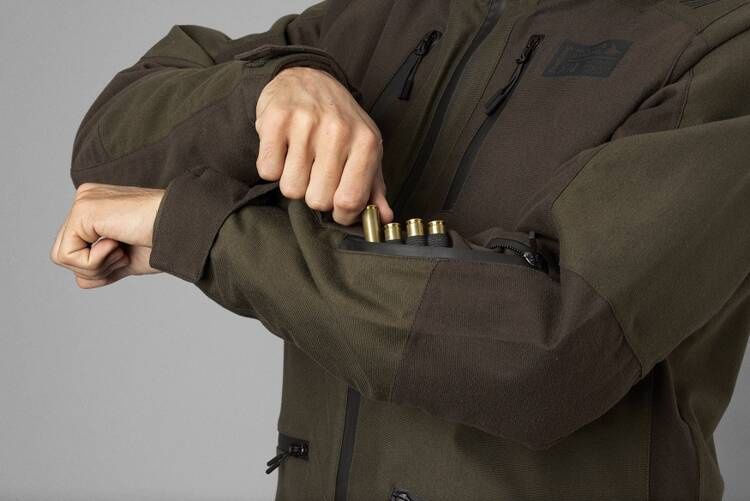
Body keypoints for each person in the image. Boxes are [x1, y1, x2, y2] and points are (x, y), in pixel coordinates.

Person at [51, 1, 750, 499]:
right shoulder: (378, 19)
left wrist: (208, 234)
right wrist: (277, 86)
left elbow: (545, 351)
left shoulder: (720, 44)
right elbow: (108, 146)